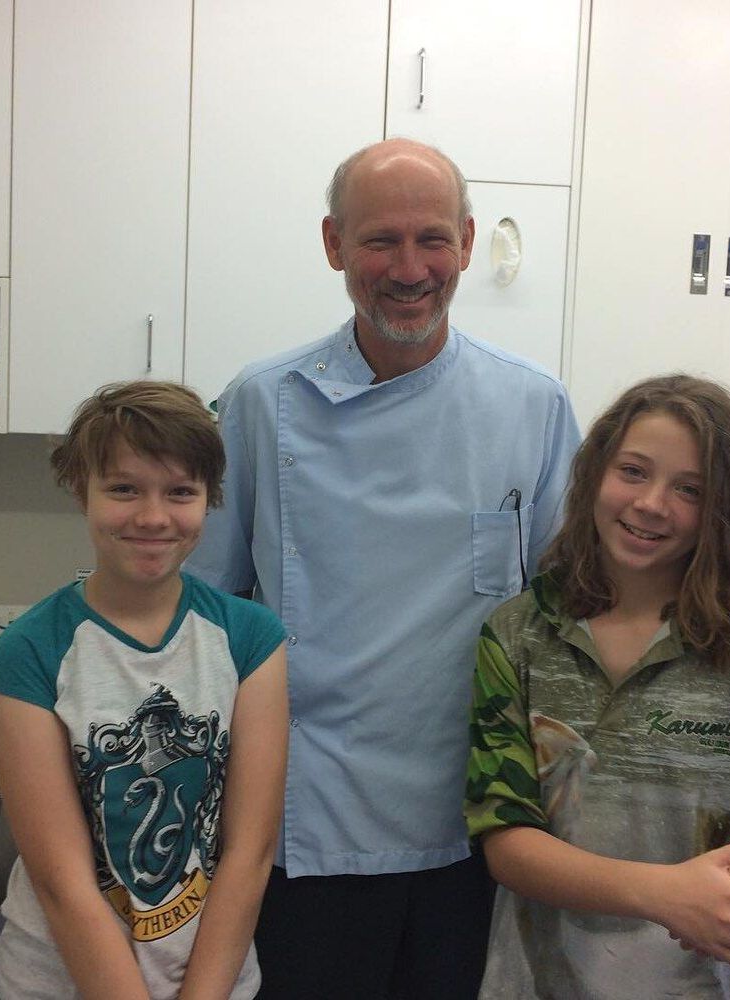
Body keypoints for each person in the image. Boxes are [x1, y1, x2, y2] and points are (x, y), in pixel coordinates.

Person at [184, 138, 580, 998]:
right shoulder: (261, 401)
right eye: (380, 241)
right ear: (333, 246)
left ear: (468, 244)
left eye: (432, 239)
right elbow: (202, 613)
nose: (410, 268)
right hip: (307, 818)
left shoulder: (533, 406)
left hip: (478, 819)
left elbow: (568, 615)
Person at [464, 374, 730, 1000]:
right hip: (534, 981)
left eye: (690, 489)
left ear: (724, 510)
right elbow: (506, 839)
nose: (652, 503)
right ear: (595, 474)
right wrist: (665, 895)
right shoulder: (519, 634)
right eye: (633, 471)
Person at [0, 381, 288, 999]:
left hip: (214, 982)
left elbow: (248, 854)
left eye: (180, 492)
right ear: (80, 491)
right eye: (124, 488)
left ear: (209, 500)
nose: (152, 516)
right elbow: (63, 884)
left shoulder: (250, 638)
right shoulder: (33, 650)